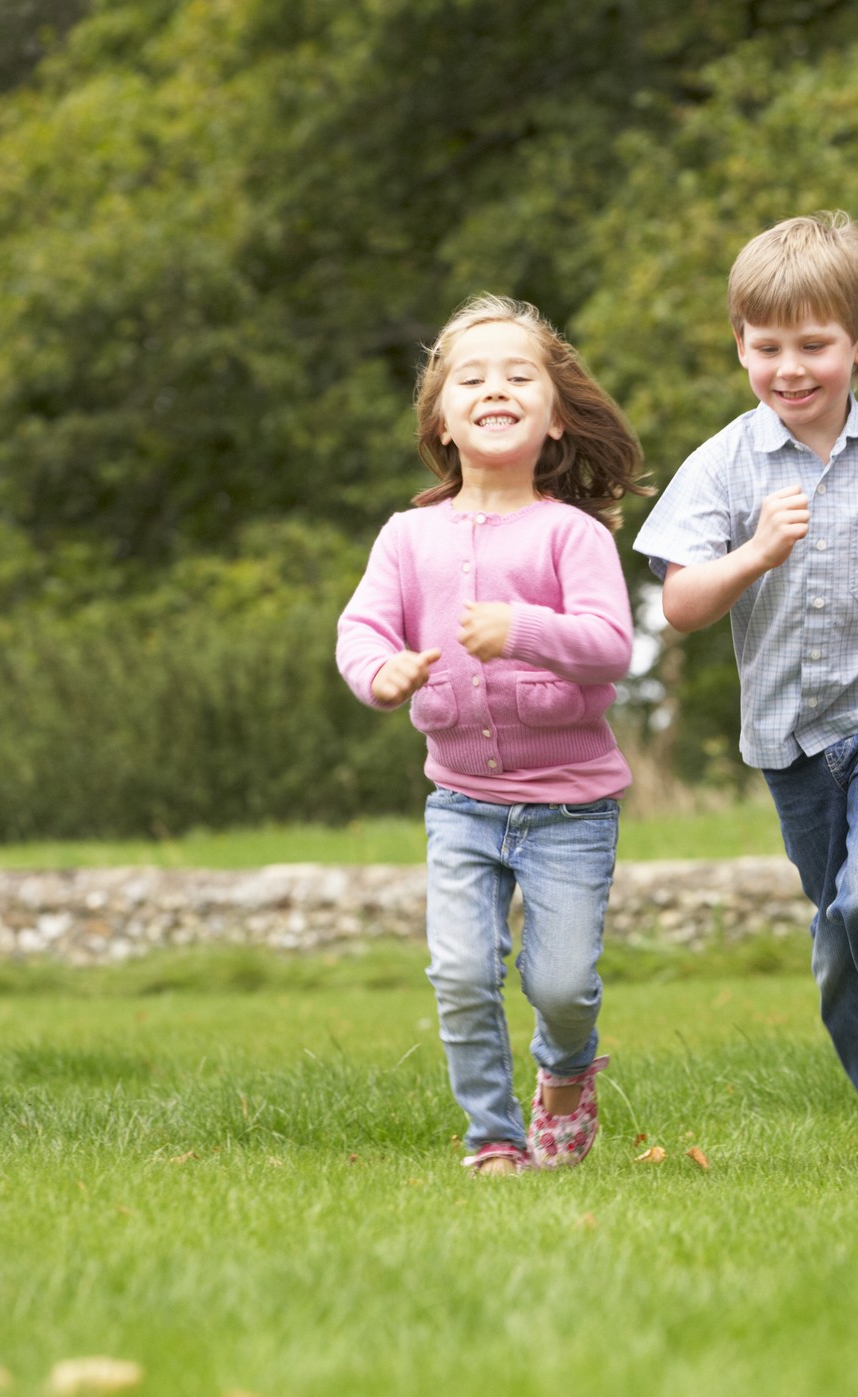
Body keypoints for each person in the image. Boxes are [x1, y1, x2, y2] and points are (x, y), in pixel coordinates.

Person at [635, 212, 858, 1167]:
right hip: (789, 743)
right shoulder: (724, 465)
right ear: (741, 345)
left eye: (815, 345)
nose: (791, 367)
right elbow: (682, 605)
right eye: (767, 346)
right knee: (837, 934)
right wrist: (754, 551)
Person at [336, 295, 645, 1176]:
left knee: (560, 986)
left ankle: (566, 1073)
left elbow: (611, 647)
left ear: (553, 420)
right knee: (463, 975)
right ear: (441, 418)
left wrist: (522, 629)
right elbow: (360, 631)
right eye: (471, 377)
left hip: (571, 809)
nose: (495, 388)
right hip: (462, 803)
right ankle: (495, 1138)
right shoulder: (407, 538)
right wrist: (380, 672)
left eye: (518, 376)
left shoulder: (572, 534)